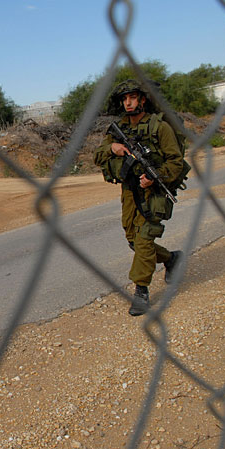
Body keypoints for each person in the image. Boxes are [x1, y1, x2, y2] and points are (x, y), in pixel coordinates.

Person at [93, 79, 184, 316]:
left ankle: (141, 292)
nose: (128, 102)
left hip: (153, 193)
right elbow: (98, 155)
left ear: (143, 99)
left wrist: (155, 177)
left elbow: (176, 162)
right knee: (134, 240)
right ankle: (171, 258)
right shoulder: (120, 128)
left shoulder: (159, 127)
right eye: (124, 99)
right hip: (129, 192)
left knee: (144, 239)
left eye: (132, 97)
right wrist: (114, 148)